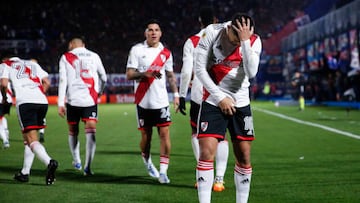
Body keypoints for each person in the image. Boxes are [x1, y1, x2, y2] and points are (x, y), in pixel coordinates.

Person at [194, 13, 262, 203]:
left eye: (244, 36)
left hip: (241, 103)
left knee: (244, 156)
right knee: (206, 152)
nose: (237, 42)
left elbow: (252, 72)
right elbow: (199, 69)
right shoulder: (212, 33)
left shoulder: (254, 41)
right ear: (229, 28)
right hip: (213, 100)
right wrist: (220, 97)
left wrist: (245, 42)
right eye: (236, 37)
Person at [177, 6, 229, 192]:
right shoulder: (225, 36)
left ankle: (202, 177)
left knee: (197, 134)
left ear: (200, 21)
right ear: (216, 20)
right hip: (223, 93)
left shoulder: (192, 41)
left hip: (200, 94)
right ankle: (219, 180)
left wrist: (182, 95)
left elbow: (185, 71)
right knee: (221, 137)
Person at [126, 19, 179, 184]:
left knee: (164, 134)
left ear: (160, 33)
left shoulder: (166, 53)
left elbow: (170, 76)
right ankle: (147, 161)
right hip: (143, 101)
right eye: (150, 30)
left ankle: (163, 172)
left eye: (156, 30)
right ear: (146, 33)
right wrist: (145, 73)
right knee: (146, 137)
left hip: (161, 101)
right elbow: (129, 74)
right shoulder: (136, 50)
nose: (153, 32)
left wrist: (176, 95)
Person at [0, 55, 58, 185]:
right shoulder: (32, 63)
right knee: (29, 139)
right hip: (42, 101)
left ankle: (49, 162)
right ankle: (25, 173)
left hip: (25, 102)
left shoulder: (5, 64)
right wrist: (38, 94)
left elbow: (3, 84)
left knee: (31, 140)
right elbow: (47, 82)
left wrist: (4, 98)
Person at [58, 37, 107, 176]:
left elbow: (63, 80)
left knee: (73, 131)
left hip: (73, 100)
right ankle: (88, 167)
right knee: (91, 131)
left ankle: (76, 160)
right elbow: (104, 77)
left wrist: (61, 103)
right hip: (90, 100)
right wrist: (100, 91)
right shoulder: (94, 55)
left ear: (71, 44)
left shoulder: (66, 57)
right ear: (84, 45)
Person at [0, 81, 12, 148]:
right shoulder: (5, 71)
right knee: (2, 117)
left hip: (2, 100)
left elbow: (3, 85)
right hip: (8, 99)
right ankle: (6, 130)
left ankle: (5, 141)